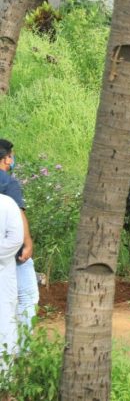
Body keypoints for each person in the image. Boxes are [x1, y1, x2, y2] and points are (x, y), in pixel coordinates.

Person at [0, 139, 39, 333]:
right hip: (11, 249)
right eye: (11, 156)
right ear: (6, 159)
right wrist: (27, 242)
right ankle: (24, 349)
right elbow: (18, 213)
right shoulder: (8, 183)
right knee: (27, 295)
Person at [0, 192, 24, 373]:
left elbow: (16, 240)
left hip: (3, 275)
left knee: (4, 321)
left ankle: (5, 379)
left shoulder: (7, 204)